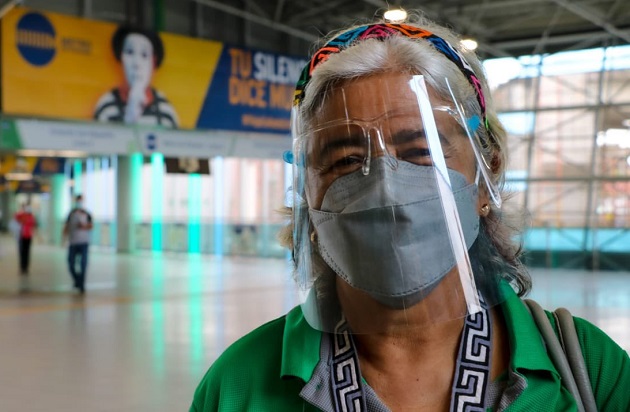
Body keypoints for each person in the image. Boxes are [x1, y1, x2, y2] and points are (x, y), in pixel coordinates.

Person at [190, 16, 630, 412]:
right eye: (344, 160)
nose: (386, 189)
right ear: (308, 190)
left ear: (486, 171)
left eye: (423, 152)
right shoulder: (240, 384)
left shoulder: (589, 368)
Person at [93, 25, 179, 128]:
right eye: (130, 52)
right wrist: (130, 114)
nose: (136, 64)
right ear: (121, 58)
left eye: (144, 55)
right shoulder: (106, 106)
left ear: (154, 62)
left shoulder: (166, 110)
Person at [63, 195, 93, 294]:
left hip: (84, 242)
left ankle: (81, 285)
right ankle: (77, 280)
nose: (79, 203)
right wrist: (63, 239)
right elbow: (66, 226)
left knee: (83, 264)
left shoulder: (87, 213)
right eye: (78, 201)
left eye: (81, 201)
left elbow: (91, 225)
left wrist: (84, 226)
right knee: (70, 263)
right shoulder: (71, 213)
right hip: (73, 242)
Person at [13, 203, 37, 289]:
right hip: (21, 236)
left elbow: (33, 224)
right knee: (21, 252)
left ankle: (26, 267)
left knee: (27, 252)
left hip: (28, 236)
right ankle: (22, 267)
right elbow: (14, 222)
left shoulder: (31, 216)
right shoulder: (19, 215)